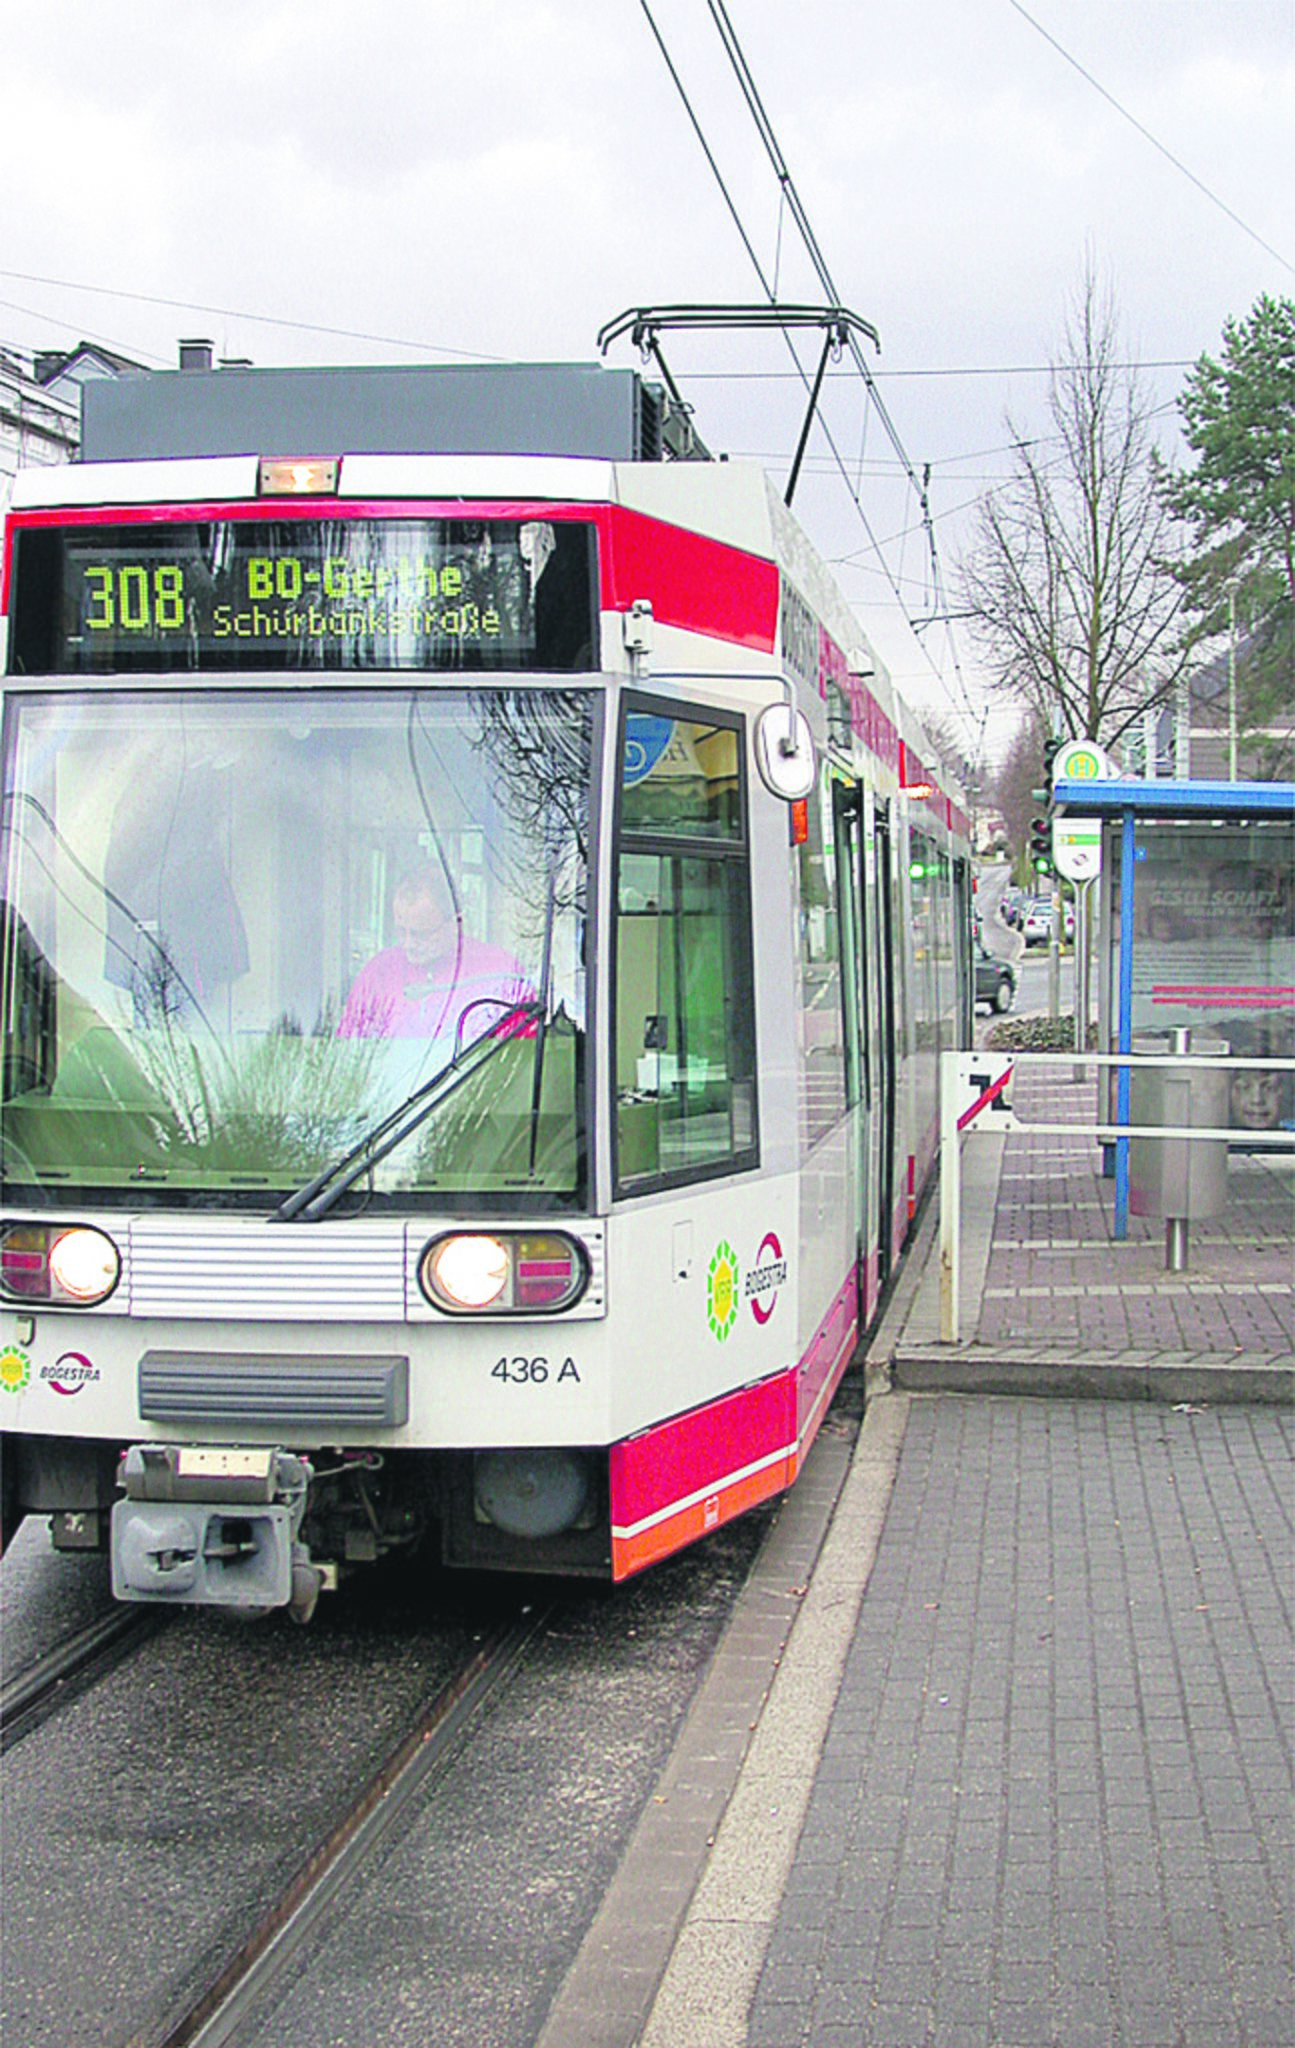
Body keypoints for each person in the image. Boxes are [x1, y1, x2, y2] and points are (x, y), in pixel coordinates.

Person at [338, 863, 532, 1046]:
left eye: (420, 934)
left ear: (455, 923)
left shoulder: (501, 973)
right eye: (400, 931)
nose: (408, 944)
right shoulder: (378, 974)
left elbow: (522, 1056)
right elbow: (348, 1051)